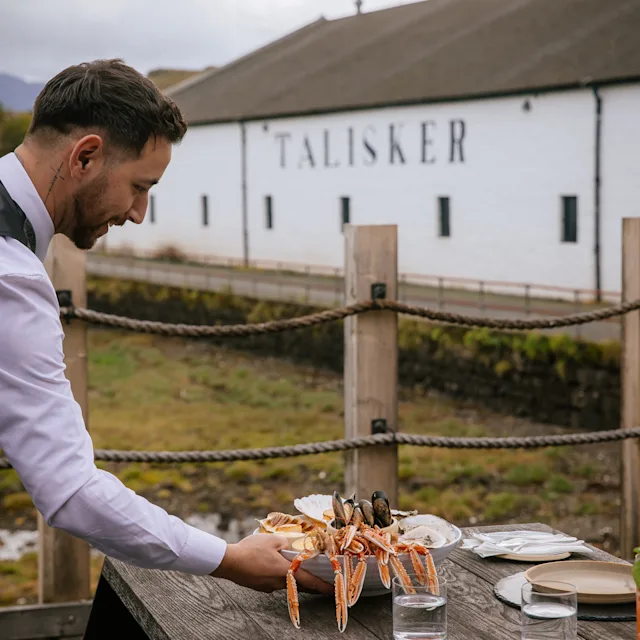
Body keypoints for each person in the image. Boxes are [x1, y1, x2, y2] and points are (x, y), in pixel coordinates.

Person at [0, 59, 332, 598]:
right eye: (138, 185)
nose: (138, 213)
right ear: (85, 156)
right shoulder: (11, 276)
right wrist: (227, 557)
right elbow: (70, 489)